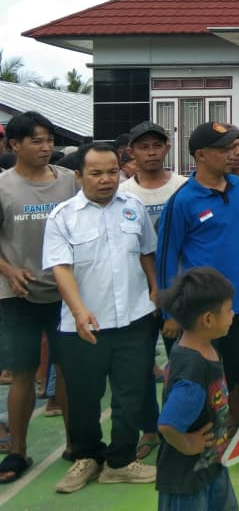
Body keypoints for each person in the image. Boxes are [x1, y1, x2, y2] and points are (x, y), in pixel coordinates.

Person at [156, 122, 239, 460]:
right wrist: (170, 313)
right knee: (202, 375)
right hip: (202, 310)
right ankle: (198, 441)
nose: (234, 153)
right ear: (201, 155)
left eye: (236, 146)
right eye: (225, 148)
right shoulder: (182, 201)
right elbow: (165, 259)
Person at [43, 143, 158, 492]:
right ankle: (88, 458)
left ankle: (120, 462)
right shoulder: (63, 216)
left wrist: (155, 292)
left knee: (130, 394)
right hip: (83, 326)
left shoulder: (134, 208)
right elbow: (61, 268)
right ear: (79, 176)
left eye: (112, 172)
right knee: (83, 396)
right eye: (96, 173)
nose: (106, 179)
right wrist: (79, 311)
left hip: (135, 320)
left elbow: (146, 253)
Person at [0, 111, 77, 484]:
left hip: (65, 292)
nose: (47, 147)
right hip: (17, 294)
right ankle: (17, 451)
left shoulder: (68, 182)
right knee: (23, 374)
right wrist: (9, 270)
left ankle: (75, 444)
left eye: (49, 140)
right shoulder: (3, 187)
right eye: (37, 140)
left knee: (68, 368)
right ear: (15, 145)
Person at [119, 121, 189, 461]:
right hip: (135, 294)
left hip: (179, 292)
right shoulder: (122, 194)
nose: (150, 152)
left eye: (156, 145)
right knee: (140, 366)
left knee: (183, 362)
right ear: (131, 152)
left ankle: (180, 423)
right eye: (143, 146)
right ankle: (149, 427)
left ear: (167, 148)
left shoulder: (184, 188)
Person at [155, 267, 237, 511]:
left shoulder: (203, 348)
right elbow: (167, 424)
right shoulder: (192, 371)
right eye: (229, 310)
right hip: (187, 482)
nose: (233, 315)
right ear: (208, 320)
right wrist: (188, 444)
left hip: (211, 466)